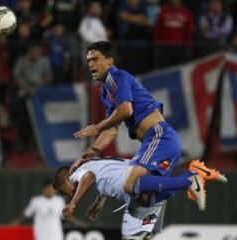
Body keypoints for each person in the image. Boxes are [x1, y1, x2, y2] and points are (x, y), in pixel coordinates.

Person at [70, 41, 227, 208]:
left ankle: (190, 179)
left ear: (109, 60)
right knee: (144, 198)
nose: (91, 64)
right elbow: (110, 131)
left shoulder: (117, 77)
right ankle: (190, 175)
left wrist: (97, 127)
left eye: (95, 59)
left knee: (130, 185)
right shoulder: (105, 92)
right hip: (156, 141)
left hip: (158, 136)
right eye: (88, 61)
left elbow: (125, 110)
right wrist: (85, 156)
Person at [54, 158, 223, 239]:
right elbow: (106, 177)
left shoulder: (76, 174)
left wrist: (73, 203)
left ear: (67, 179)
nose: (68, 193)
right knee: (151, 232)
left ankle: (189, 177)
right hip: (142, 177)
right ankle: (190, 174)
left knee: (136, 234)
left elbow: (89, 177)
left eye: (65, 190)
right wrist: (99, 202)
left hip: (137, 186)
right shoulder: (94, 164)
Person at [11, 180, 86, 240]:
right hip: (41, 236)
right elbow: (25, 215)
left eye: (53, 189)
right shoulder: (36, 201)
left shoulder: (59, 200)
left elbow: (66, 216)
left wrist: (78, 223)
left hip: (56, 235)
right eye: (49, 188)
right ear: (43, 190)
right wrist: (12, 224)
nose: (51, 191)